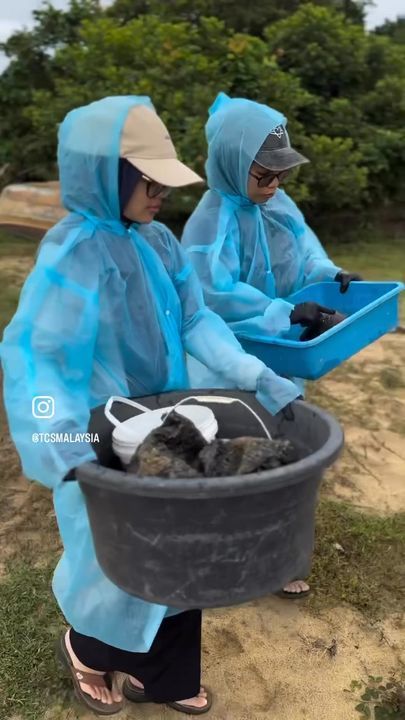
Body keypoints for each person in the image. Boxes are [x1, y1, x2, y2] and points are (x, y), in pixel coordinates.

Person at [0, 96, 302, 716]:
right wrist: (63, 446)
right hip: (100, 435)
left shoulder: (159, 241)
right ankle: (88, 651)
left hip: (165, 423)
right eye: (149, 176)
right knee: (117, 560)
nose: (163, 189)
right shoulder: (74, 255)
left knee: (179, 547)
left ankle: (162, 678)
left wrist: (258, 374)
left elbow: (196, 318)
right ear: (104, 175)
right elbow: (38, 357)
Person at [182, 92, 362, 597]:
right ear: (233, 164)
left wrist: (330, 276)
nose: (275, 184)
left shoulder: (277, 204)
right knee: (227, 452)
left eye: (281, 173)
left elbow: (304, 252)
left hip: (283, 351)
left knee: (281, 445)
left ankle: (273, 553)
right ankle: (217, 554)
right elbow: (212, 292)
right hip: (226, 360)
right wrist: (280, 311)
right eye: (264, 174)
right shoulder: (209, 221)